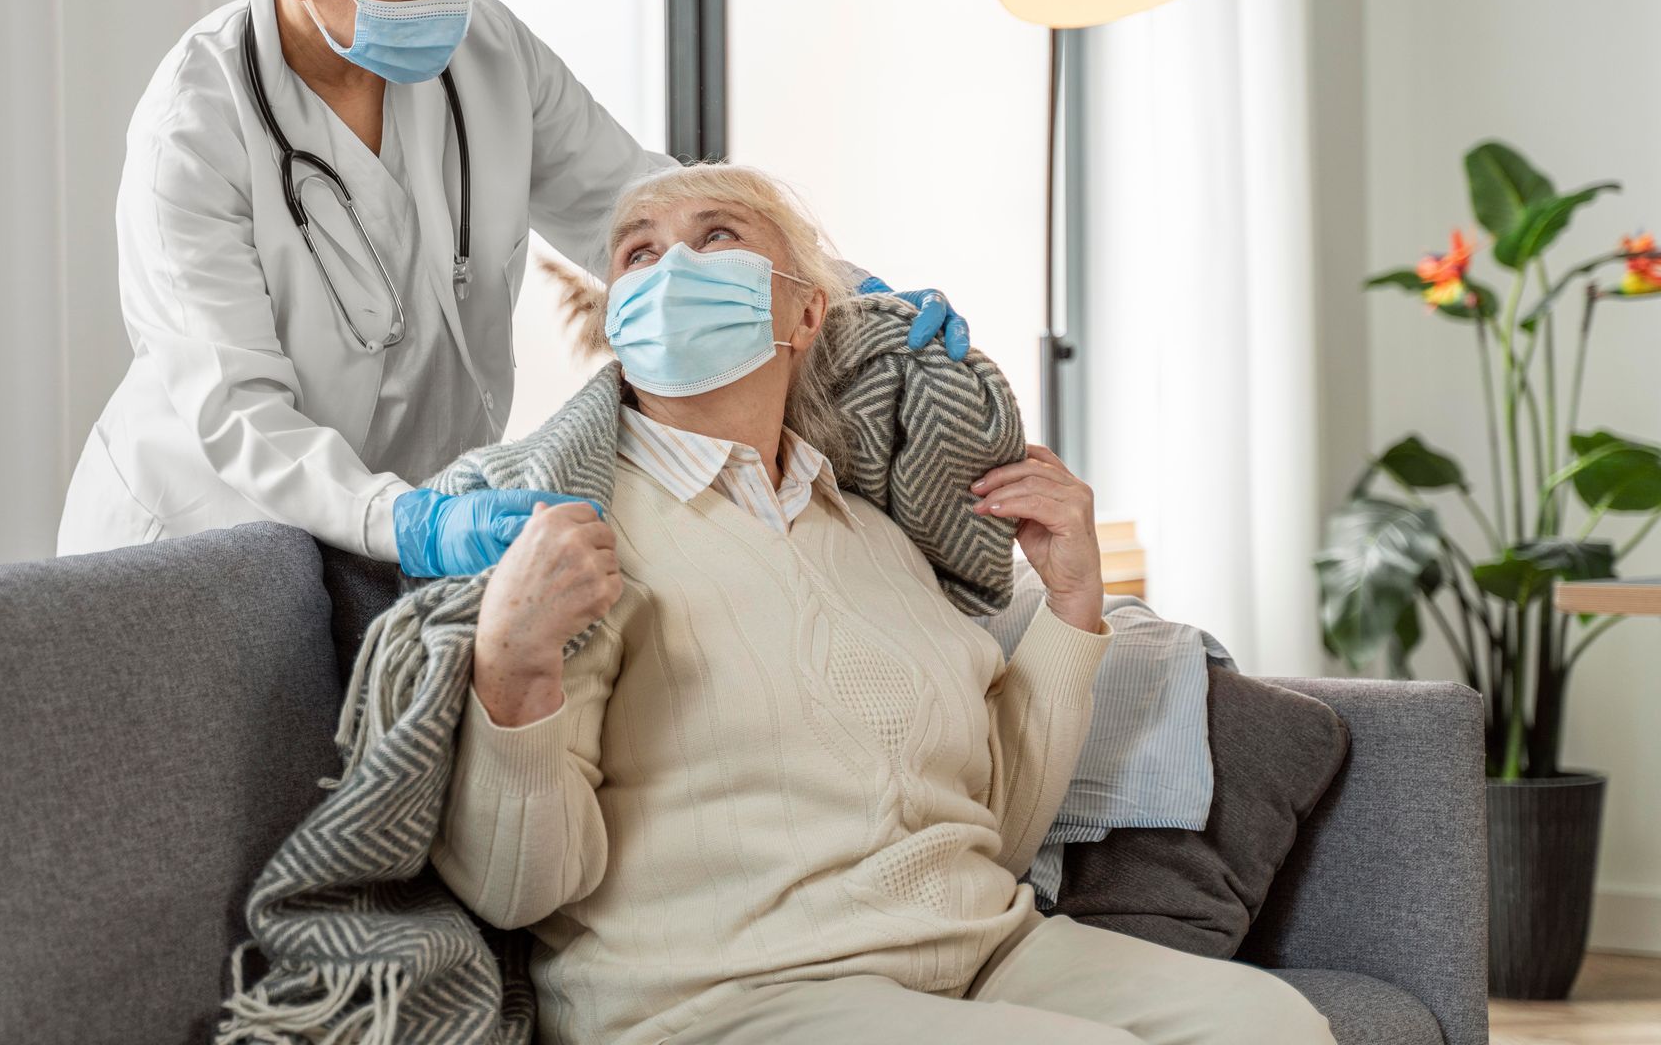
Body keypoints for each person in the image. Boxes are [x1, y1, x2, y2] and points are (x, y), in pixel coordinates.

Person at [426, 164, 1336, 1045]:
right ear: (617, 314)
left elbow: (999, 828)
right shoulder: (569, 533)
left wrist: (1072, 603)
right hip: (722, 1000)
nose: (670, 270)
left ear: (806, 311)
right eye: (637, 254)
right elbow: (517, 890)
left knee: (1273, 1026)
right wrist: (512, 666)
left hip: (981, 952)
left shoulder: (877, 534)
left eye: (717, 238)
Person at [56, 0, 965, 575]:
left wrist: (837, 291)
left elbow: (636, 208)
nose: (454, 12)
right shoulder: (196, 129)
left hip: (412, 528)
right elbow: (238, 412)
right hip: (204, 541)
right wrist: (404, 521)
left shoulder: (485, 51)